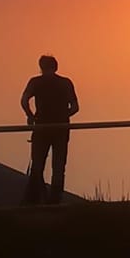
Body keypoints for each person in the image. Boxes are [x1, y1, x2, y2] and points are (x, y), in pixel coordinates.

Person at [20, 55, 80, 205]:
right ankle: (54, 201)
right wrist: (62, 116)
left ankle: (34, 200)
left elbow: (24, 100)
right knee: (59, 166)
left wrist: (30, 116)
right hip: (61, 129)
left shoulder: (35, 82)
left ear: (41, 66)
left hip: (42, 128)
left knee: (37, 164)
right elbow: (75, 107)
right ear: (56, 66)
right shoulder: (66, 83)